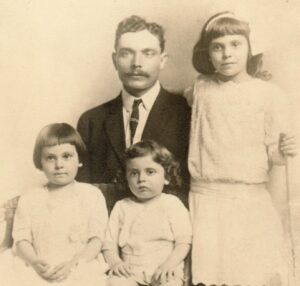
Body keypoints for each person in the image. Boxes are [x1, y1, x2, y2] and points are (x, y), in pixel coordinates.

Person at [186, 12, 297, 286]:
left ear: (250, 48)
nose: (226, 54)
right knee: (210, 277)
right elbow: (175, 96)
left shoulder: (268, 94)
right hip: (206, 199)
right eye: (218, 47)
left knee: (249, 274)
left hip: (248, 200)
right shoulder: (200, 89)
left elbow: (274, 154)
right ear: (207, 53)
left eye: (236, 44)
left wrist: (285, 150)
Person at [76, 15, 190, 202]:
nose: (137, 63)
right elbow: (81, 194)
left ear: (162, 60)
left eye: (148, 53)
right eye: (127, 53)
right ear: (115, 60)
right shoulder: (91, 121)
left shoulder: (186, 114)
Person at [0, 123, 108, 286]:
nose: (59, 165)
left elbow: (96, 240)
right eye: (50, 158)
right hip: (37, 265)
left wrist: (73, 264)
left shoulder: (92, 195)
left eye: (67, 156)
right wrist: (35, 262)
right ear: (40, 162)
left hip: (80, 265)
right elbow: (21, 239)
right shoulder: (30, 198)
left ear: (79, 159)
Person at [103, 140, 192, 286]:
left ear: (167, 177)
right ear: (126, 177)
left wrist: (169, 264)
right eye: (134, 173)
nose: (141, 179)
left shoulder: (172, 204)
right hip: (130, 271)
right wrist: (115, 263)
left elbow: (184, 242)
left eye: (150, 172)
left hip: (163, 270)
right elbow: (109, 243)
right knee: (113, 282)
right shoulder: (121, 207)